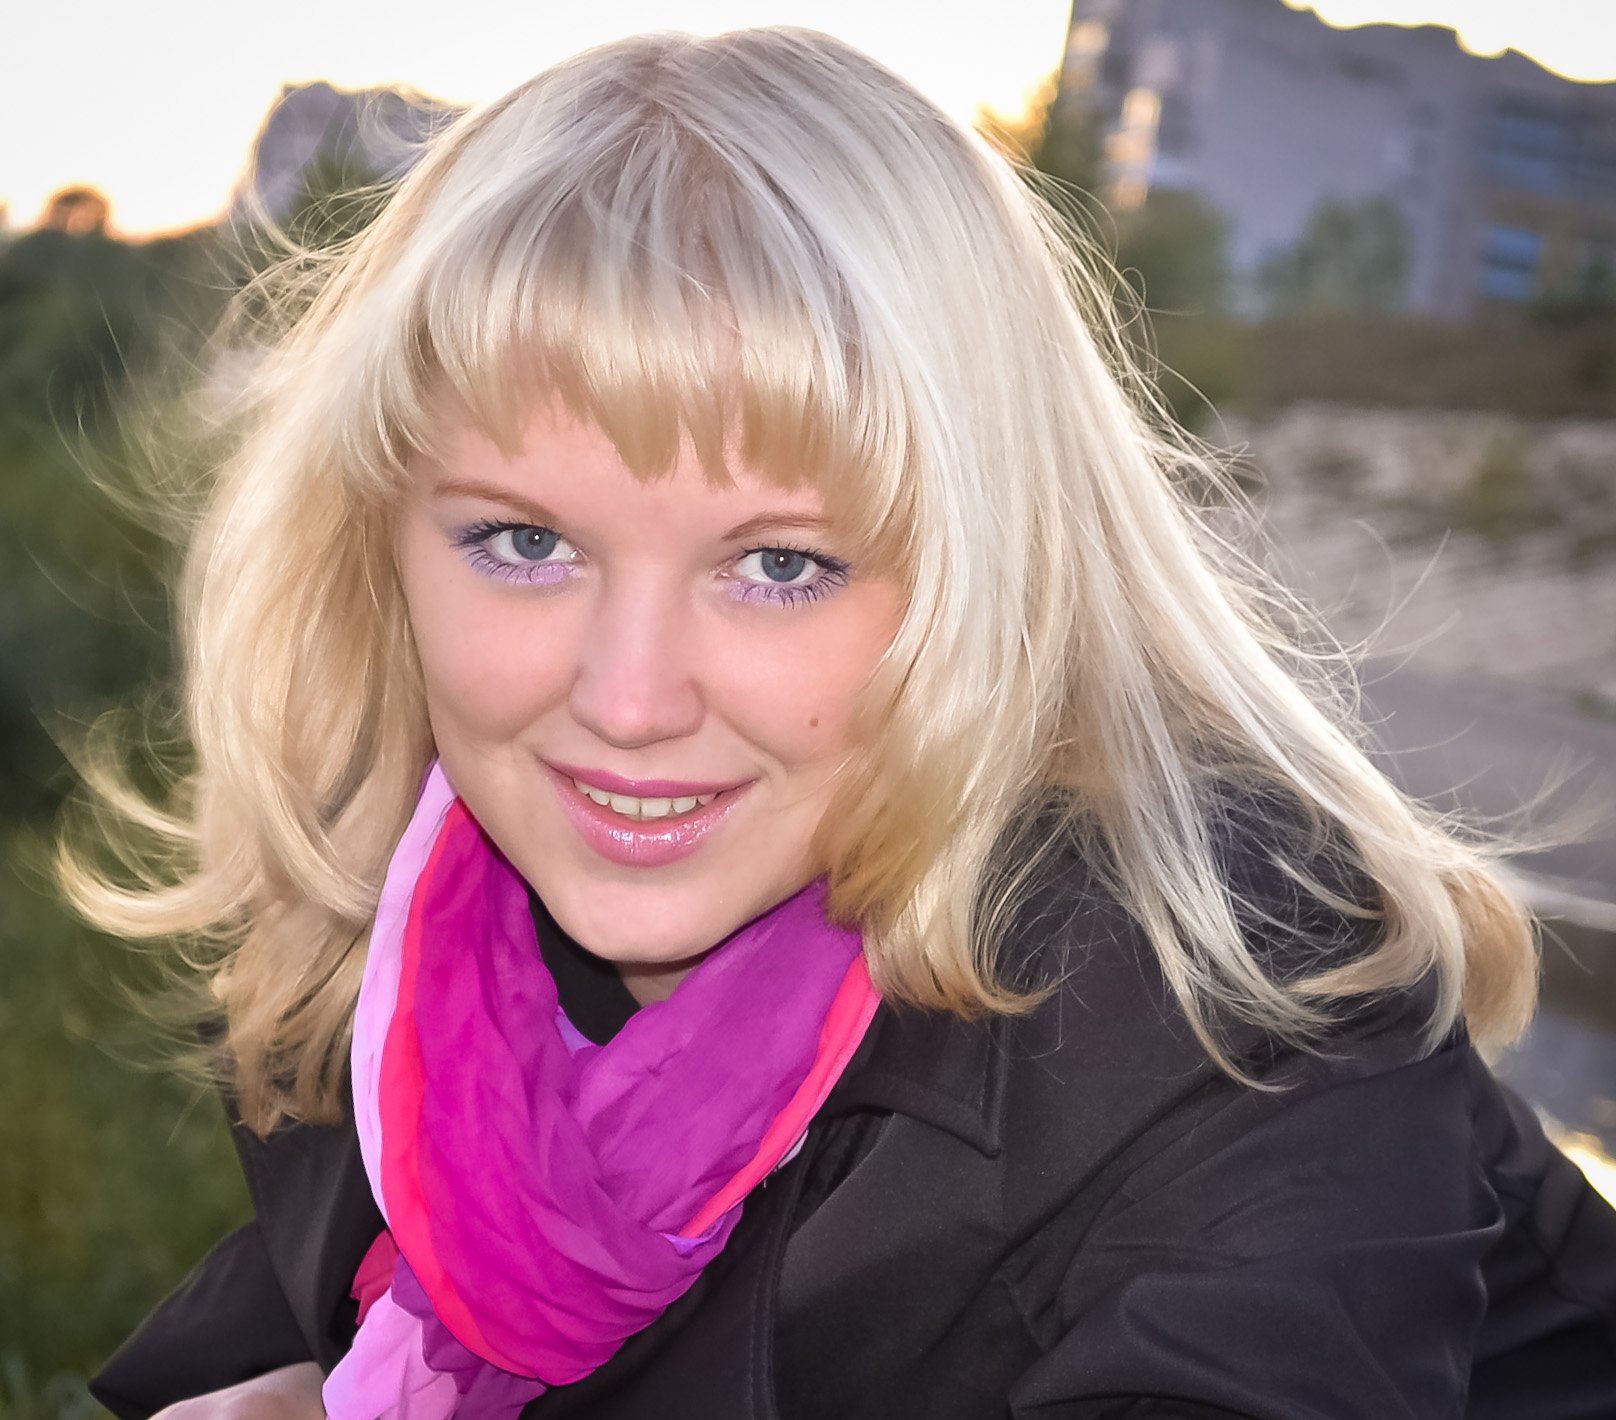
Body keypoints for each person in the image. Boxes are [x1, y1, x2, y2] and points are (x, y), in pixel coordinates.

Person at [66, 27, 1616, 1420]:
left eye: (781, 566)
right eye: (525, 543)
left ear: (997, 581)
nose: (626, 702)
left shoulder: (1238, 1006)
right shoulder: (419, 936)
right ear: (376, 556)